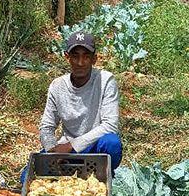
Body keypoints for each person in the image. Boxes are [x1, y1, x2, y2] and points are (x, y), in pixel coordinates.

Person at [24, 31, 122, 182]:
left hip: (93, 147)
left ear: (94, 59)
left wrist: (73, 145)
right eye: (75, 56)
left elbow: (110, 125)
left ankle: (103, 176)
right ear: (67, 57)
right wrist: (52, 150)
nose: (80, 62)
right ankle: (72, 175)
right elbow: (47, 126)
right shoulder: (57, 86)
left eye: (86, 56)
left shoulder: (105, 81)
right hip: (66, 153)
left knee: (112, 143)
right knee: (26, 177)